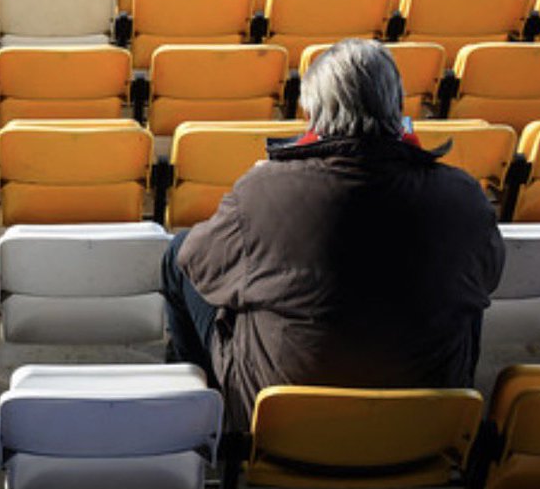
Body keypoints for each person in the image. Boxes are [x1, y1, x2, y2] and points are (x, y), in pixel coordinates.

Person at [162, 39, 505, 429]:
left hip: (284, 417)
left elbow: (199, 262)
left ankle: (195, 416)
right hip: (425, 417)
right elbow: (490, 275)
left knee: (178, 255)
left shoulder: (262, 190)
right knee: (466, 288)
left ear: (313, 111)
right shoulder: (463, 194)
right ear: (396, 105)